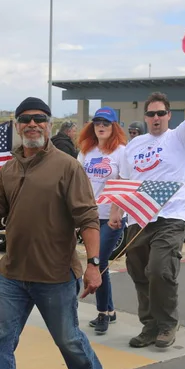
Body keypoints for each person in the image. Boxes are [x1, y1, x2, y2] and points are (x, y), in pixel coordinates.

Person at [0, 97, 107, 369]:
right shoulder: (7, 169)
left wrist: (93, 264)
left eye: (38, 118)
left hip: (56, 276)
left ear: (48, 125)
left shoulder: (67, 166)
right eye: (25, 119)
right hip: (13, 275)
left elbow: (88, 218)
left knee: (68, 340)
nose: (31, 124)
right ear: (17, 125)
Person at [114, 53, 185, 349]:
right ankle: (150, 325)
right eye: (151, 114)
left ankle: (168, 323)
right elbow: (125, 182)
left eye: (161, 113)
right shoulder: (135, 145)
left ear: (169, 116)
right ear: (145, 117)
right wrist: (117, 211)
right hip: (139, 218)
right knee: (138, 271)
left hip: (172, 216)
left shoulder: (180, 137)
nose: (156, 118)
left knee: (159, 269)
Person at [77, 106, 128, 335]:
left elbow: (124, 183)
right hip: (90, 217)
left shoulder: (120, 152)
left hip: (111, 217)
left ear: (114, 127)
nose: (101, 126)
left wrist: (117, 211)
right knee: (100, 263)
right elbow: (77, 183)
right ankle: (110, 310)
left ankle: (103, 314)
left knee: (98, 262)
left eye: (106, 123)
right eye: (97, 122)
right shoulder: (86, 151)